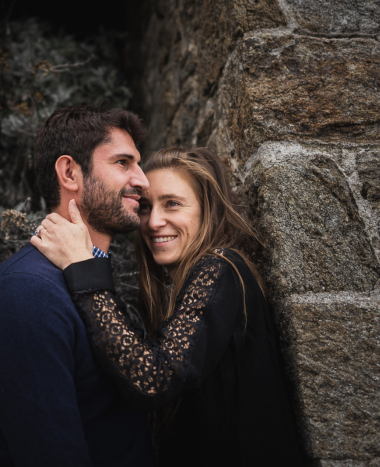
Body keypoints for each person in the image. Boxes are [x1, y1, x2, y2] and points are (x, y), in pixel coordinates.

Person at [32, 147, 305, 466]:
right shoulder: (188, 283)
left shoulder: (220, 268)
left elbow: (153, 379)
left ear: (208, 210)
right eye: (145, 207)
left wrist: (83, 268)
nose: (153, 222)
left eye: (172, 204)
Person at [0, 104, 156, 466]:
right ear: (70, 172)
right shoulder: (25, 293)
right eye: (123, 163)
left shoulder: (87, 278)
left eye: (138, 163)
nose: (143, 179)